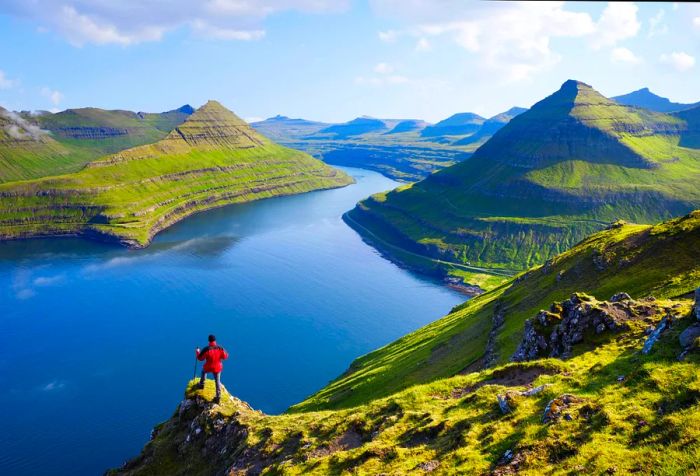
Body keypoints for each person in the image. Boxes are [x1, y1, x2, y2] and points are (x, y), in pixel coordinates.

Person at [195, 334, 229, 403]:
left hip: (208, 367)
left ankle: (201, 385)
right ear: (215, 340)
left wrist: (197, 351)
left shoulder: (206, 349)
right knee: (217, 381)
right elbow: (225, 356)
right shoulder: (220, 348)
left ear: (209, 341)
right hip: (217, 367)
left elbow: (200, 358)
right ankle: (218, 397)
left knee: (203, 372)